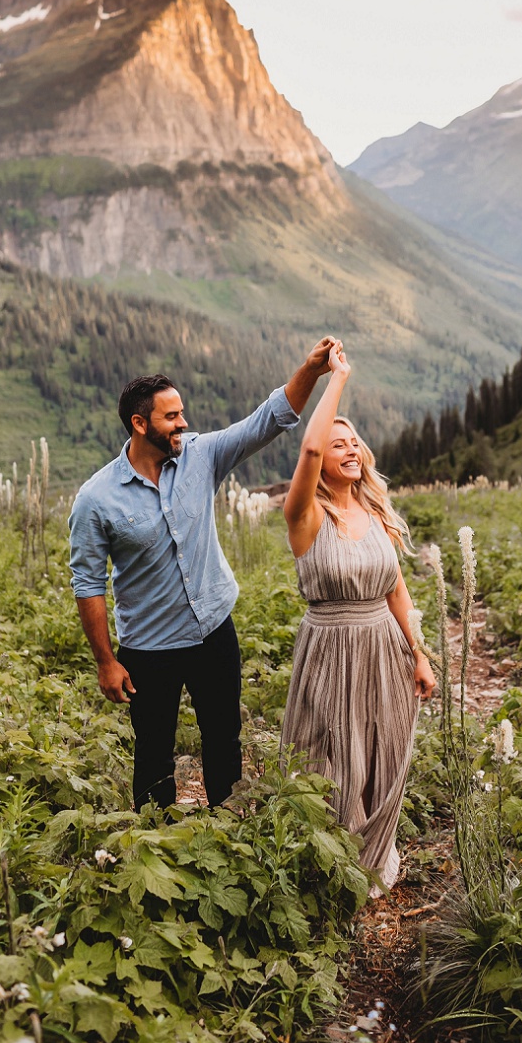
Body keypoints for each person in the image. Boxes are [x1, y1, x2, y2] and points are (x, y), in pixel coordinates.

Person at [69, 338, 340, 813]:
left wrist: (312, 371)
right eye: (171, 416)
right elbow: (87, 583)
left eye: (182, 413)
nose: (183, 423)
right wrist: (106, 661)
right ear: (139, 423)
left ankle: (226, 831)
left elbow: (268, 419)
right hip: (149, 649)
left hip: (215, 631)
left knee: (224, 740)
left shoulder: (201, 455)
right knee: (153, 755)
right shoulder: (96, 498)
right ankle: (156, 845)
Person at [278, 342, 436, 896]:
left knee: (381, 751)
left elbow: (396, 588)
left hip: (384, 647)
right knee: (331, 753)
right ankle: (328, 865)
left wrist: (418, 653)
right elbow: (307, 451)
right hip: (330, 647)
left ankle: (369, 858)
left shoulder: (374, 513)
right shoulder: (305, 514)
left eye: (354, 443)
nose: (347, 450)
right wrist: (336, 380)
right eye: (337, 444)